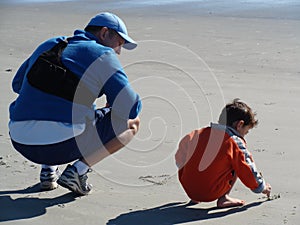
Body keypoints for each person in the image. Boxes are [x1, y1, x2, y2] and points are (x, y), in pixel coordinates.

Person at [8, 12, 142, 196]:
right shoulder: (103, 55)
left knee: (53, 104)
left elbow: (17, 85)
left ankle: (48, 169)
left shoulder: (51, 44)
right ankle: (78, 171)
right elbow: (131, 108)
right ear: (104, 33)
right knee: (132, 124)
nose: (118, 51)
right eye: (119, 43)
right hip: (63, 145)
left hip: (20, 140)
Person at [175, 99, 271, 208]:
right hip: (210, 192)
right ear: (240, 125)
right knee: (237, 161)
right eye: (246, 131)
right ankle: (224, 198)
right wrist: (262, 187)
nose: (244, 135)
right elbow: (247, 170)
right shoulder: (234, 141)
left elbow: (180, 157)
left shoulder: (197, 134)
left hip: (189, 189)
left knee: (198, 157)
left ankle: (195, 197)